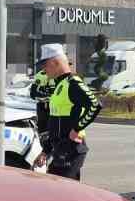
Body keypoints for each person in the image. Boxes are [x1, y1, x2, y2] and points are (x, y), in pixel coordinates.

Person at [36, 43, 101, 180]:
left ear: (55, 63)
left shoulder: (73, 83)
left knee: (57, 188)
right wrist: (45, 151)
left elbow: (95, 105)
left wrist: (77, 129)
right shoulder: (60, 85)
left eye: (45, 65)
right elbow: (55, 123)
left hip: (71, 151)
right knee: (63, 190)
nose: (43, 70)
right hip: (60, 151)